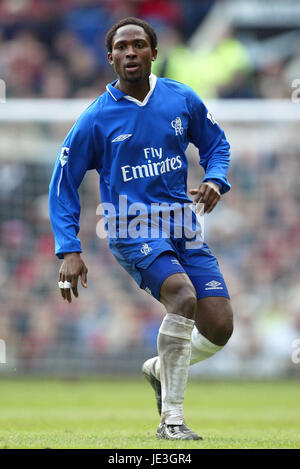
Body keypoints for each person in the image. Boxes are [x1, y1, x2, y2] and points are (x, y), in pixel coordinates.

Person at [49, 17, 233, 441]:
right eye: (121, 47)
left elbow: (217, 145)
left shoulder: (180, 98)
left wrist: (214, 179)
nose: (130, 52)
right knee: (183, 297)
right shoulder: (95, 118)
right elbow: (63, 184)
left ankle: (157, 367)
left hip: (183, 227)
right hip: (130, 228)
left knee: (220, 327)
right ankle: (172, 420)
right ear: (110, 57)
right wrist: (69, 249)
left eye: (138, 45)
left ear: (154, 52)